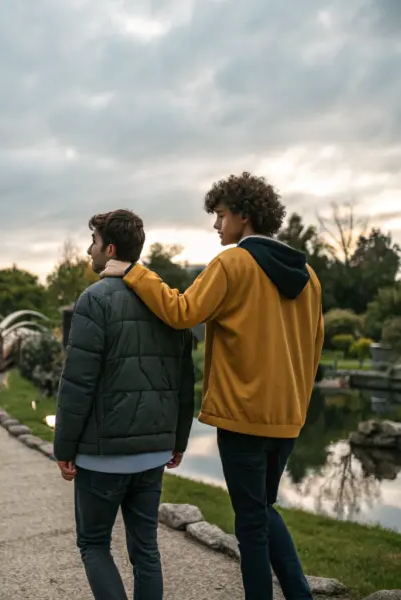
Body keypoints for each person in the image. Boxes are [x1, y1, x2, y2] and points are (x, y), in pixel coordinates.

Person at [101, 173, 324, 600]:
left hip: (242, 416)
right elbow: (314, 349)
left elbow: (182, 311)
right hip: (288, 418)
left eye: (220, 215)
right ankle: (300, 595)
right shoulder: (310, 277)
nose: (216, 225)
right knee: (261, 509)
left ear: (243, 214)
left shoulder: (232, 264)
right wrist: (296, 403)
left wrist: (133, 272)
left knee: (250, 524)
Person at [53, 209, 195, 600]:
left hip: (103, 456)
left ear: (110, 248)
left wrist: (64, 448)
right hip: (152, 455)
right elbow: (185, 382)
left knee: (94, 544)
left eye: (94, 243)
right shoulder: (169, 301)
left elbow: (78, 383)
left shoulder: (94, 300)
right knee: (145, 549)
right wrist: (178, 440)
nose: (88, 251)